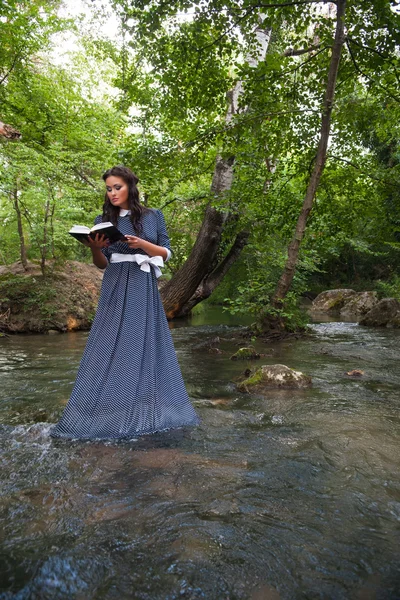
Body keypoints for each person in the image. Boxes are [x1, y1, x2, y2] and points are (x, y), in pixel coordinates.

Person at [51, 165, 200, 440]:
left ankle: (144, 400)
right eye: (108, 189)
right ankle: (110, 403)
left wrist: (142, 244)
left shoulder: (153, 216)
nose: (112, 193)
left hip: (142, 281)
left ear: (130, 186)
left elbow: (165, 252)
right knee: (108, 340)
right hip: (115, 281)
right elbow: (101, 264)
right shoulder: (103, 219)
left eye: (117, 187)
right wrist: (95, 247)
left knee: (141, 338)